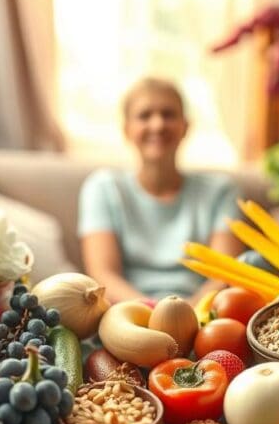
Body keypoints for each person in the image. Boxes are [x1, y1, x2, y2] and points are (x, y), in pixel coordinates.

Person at [78, 77, 242, 305]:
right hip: (126, 316)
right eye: (144, 115)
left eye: (168, 114)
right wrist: (154, 314)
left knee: (253, 261)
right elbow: (103, 274)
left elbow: (225, 273)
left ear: (185, 126)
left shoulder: (221, 191)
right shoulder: (103, 188)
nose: (157, 124)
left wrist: (188, 315)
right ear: (127, 129)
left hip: (202, 313)